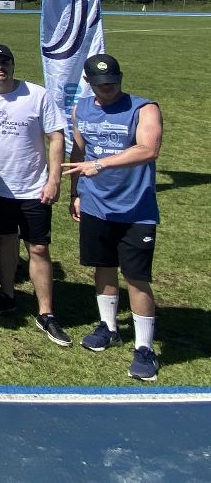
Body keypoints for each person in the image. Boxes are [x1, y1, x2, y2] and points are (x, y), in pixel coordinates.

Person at [0, 43, 70, 346]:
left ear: (13, 64)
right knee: (5, 241)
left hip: (33, 187)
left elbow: (56, 136)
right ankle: (7, 294)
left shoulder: (37, 95)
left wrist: (54, 180)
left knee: (38, 248)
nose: (0, 68)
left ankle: (46, 312)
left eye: (5, 62)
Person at [65, 53, 163, 380]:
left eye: (113, 83)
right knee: (103, 268)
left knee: (136, 277)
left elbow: (148, 149)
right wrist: (75, 193)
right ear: (89, 84)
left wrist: (101, 164)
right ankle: (108, 327)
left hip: (136, 208)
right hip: (95, 204)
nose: (107, 89)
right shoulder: (82, 108)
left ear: (121, 78)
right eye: (100, 85)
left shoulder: (144, 108)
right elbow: (78, 152)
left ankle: (145, 348)